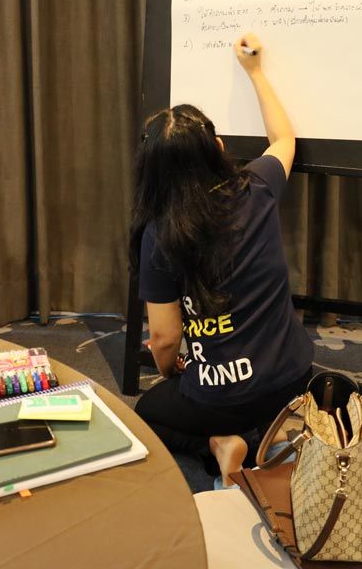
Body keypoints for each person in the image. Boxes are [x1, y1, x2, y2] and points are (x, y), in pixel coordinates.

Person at [132, 33, 314, 486]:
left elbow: (164, 338)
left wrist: (170, 371)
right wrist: (255, 71)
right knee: (238, 400)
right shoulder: (258, 186)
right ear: (217, 148)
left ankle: (219, 444)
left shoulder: (159, 235)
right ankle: (260, 436)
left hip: (219, 396)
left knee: (147, 412)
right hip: (292, 379)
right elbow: (284, 137)